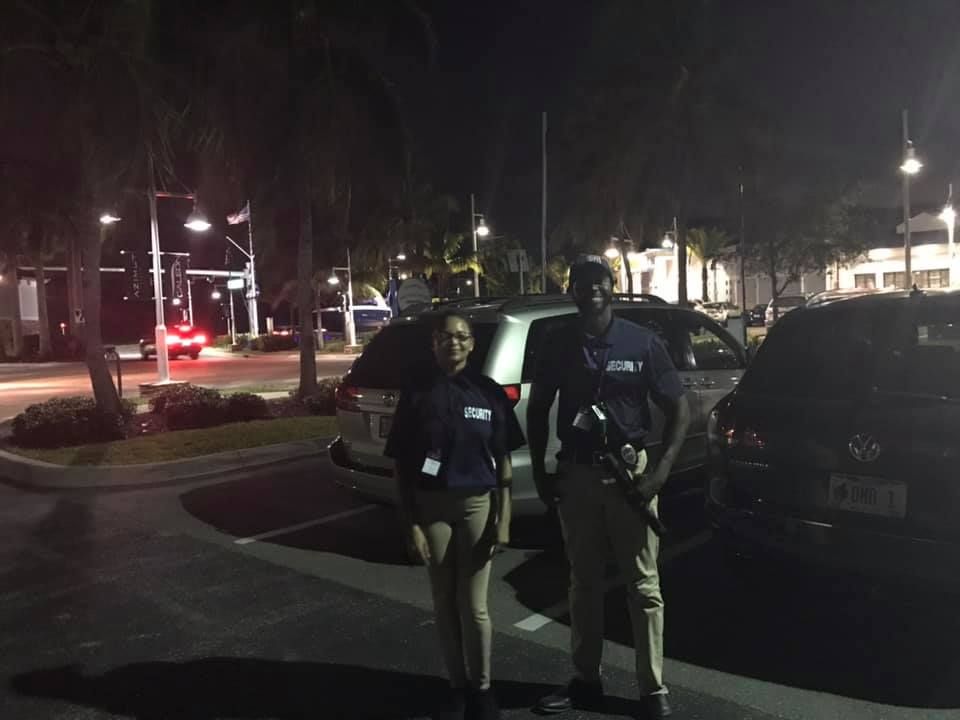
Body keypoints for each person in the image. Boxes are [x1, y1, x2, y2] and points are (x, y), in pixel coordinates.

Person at [527, 256, 690, 720]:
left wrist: (660, 473)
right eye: (580, 282)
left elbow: (679, 409)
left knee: (644, 586)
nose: (590, 289)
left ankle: (652, 690)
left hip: (630, 477)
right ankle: (585, 680)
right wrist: (541, 470)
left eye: (598, 281)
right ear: (571, 289)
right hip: (576, 476)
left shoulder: (642, 343)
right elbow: (538, 410)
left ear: (611, 287)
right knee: (583, 583)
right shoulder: (558, 344)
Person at [384, 310, 525, 720]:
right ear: (434, 343)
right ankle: (457, 686)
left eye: (462, 337)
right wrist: (410, 525)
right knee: (443, 602)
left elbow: (503, 462)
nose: (455, 343)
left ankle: (482, 689)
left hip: (477, 505)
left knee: (475, 606)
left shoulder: (488, 392)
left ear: (472, 343)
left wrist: (505, 518)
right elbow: (402, 466)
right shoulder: (417, 392)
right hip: (431, 508)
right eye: (446, 337)